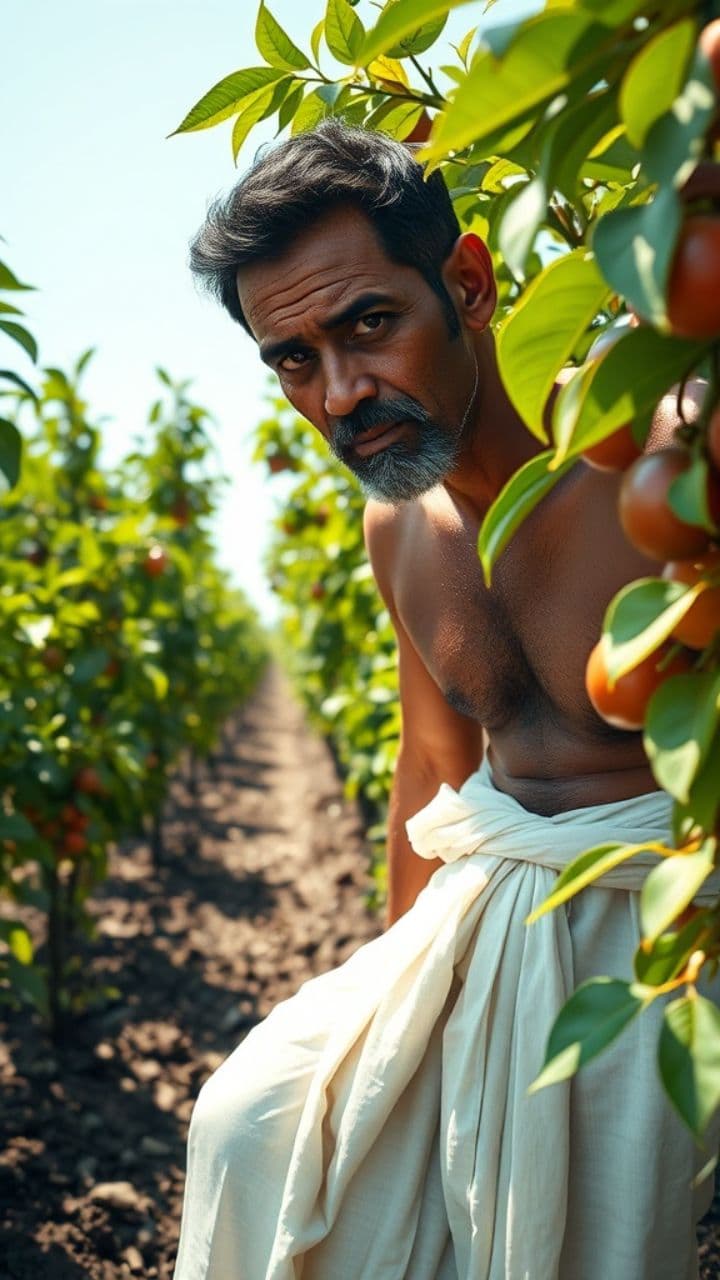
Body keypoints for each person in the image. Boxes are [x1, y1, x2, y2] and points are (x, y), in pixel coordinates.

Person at [174, 120, 720, 1280]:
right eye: (293, 358)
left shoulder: (665, 464)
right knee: (250, 1122)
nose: (341, 392)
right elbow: (434, 768)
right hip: (487, 905)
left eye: (370, 324)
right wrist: (404, 1019)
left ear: (467, 282)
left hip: (670, 920)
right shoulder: (398, 531)